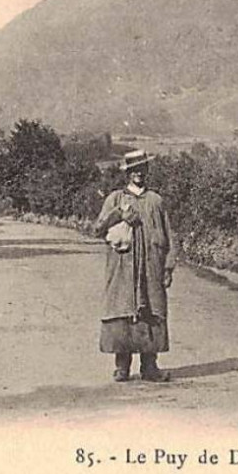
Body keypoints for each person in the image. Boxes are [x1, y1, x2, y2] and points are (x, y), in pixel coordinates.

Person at [92, 149, 177, 383]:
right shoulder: (115, 199)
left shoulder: (156, 201)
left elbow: (170, 236)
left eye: (142, 168)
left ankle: (150, 366)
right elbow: (97, 229)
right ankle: (122, 367)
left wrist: (168, 267)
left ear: (147, 170)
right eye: (133, 169)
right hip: (123, 270)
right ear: (127, 173)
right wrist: (118, 215)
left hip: (151, 269)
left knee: (151, 312)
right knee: (123, 312)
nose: (138, 173)